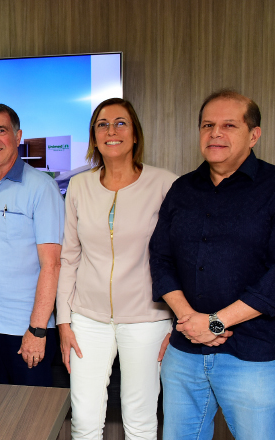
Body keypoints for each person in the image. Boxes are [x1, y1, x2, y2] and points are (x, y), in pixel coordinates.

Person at [150, 90, 275, 440]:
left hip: (252, 355)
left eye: (228, 125)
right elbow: (160, 258)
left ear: (254, 134)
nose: (215, 133)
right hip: (185, 351)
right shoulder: (182, 189)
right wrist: (190, 321)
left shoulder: (272, 187)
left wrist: (217, 323)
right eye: (208, 125)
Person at [56, 98, 176, 439]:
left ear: (135, 134)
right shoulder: (79, 186)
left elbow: (182, 257)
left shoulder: (165, 184)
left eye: (121, 123)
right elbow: (69, 257)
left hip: (147, 318)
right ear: (93, 138)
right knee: (84, 419)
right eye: (102, 124)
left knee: (140, 420)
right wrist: (64, 322)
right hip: (87, 319)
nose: (112, 131)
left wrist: (177, 320)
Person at [0, 103, 64, 386]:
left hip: (23, 331)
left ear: (18, 136)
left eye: (1, 131)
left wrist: (37, 330)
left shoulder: (41, 187)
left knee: (29, 421)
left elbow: (52, 264)